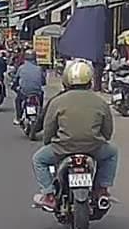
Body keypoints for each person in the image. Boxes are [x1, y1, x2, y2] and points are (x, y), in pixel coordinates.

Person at [31, 60, 119, 211]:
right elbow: (107, 131)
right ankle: (102, 189)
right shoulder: (100, 102)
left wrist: (49, 142)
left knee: (38, 159)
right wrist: (99, 140)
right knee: (112, 152)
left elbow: (48, 129)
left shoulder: (57, 101)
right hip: (93, 148)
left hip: (63, 148)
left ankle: (49, 195)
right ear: (90, 80)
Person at [12, 50, 46, 125]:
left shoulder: (21, 68)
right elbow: (43, 82)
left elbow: (16, 79)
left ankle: (18, 118)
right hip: (37, 93)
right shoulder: (39, 68)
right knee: (41, 97)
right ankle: (40, 114)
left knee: (18, 100)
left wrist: (14, 86)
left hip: (24, 92)